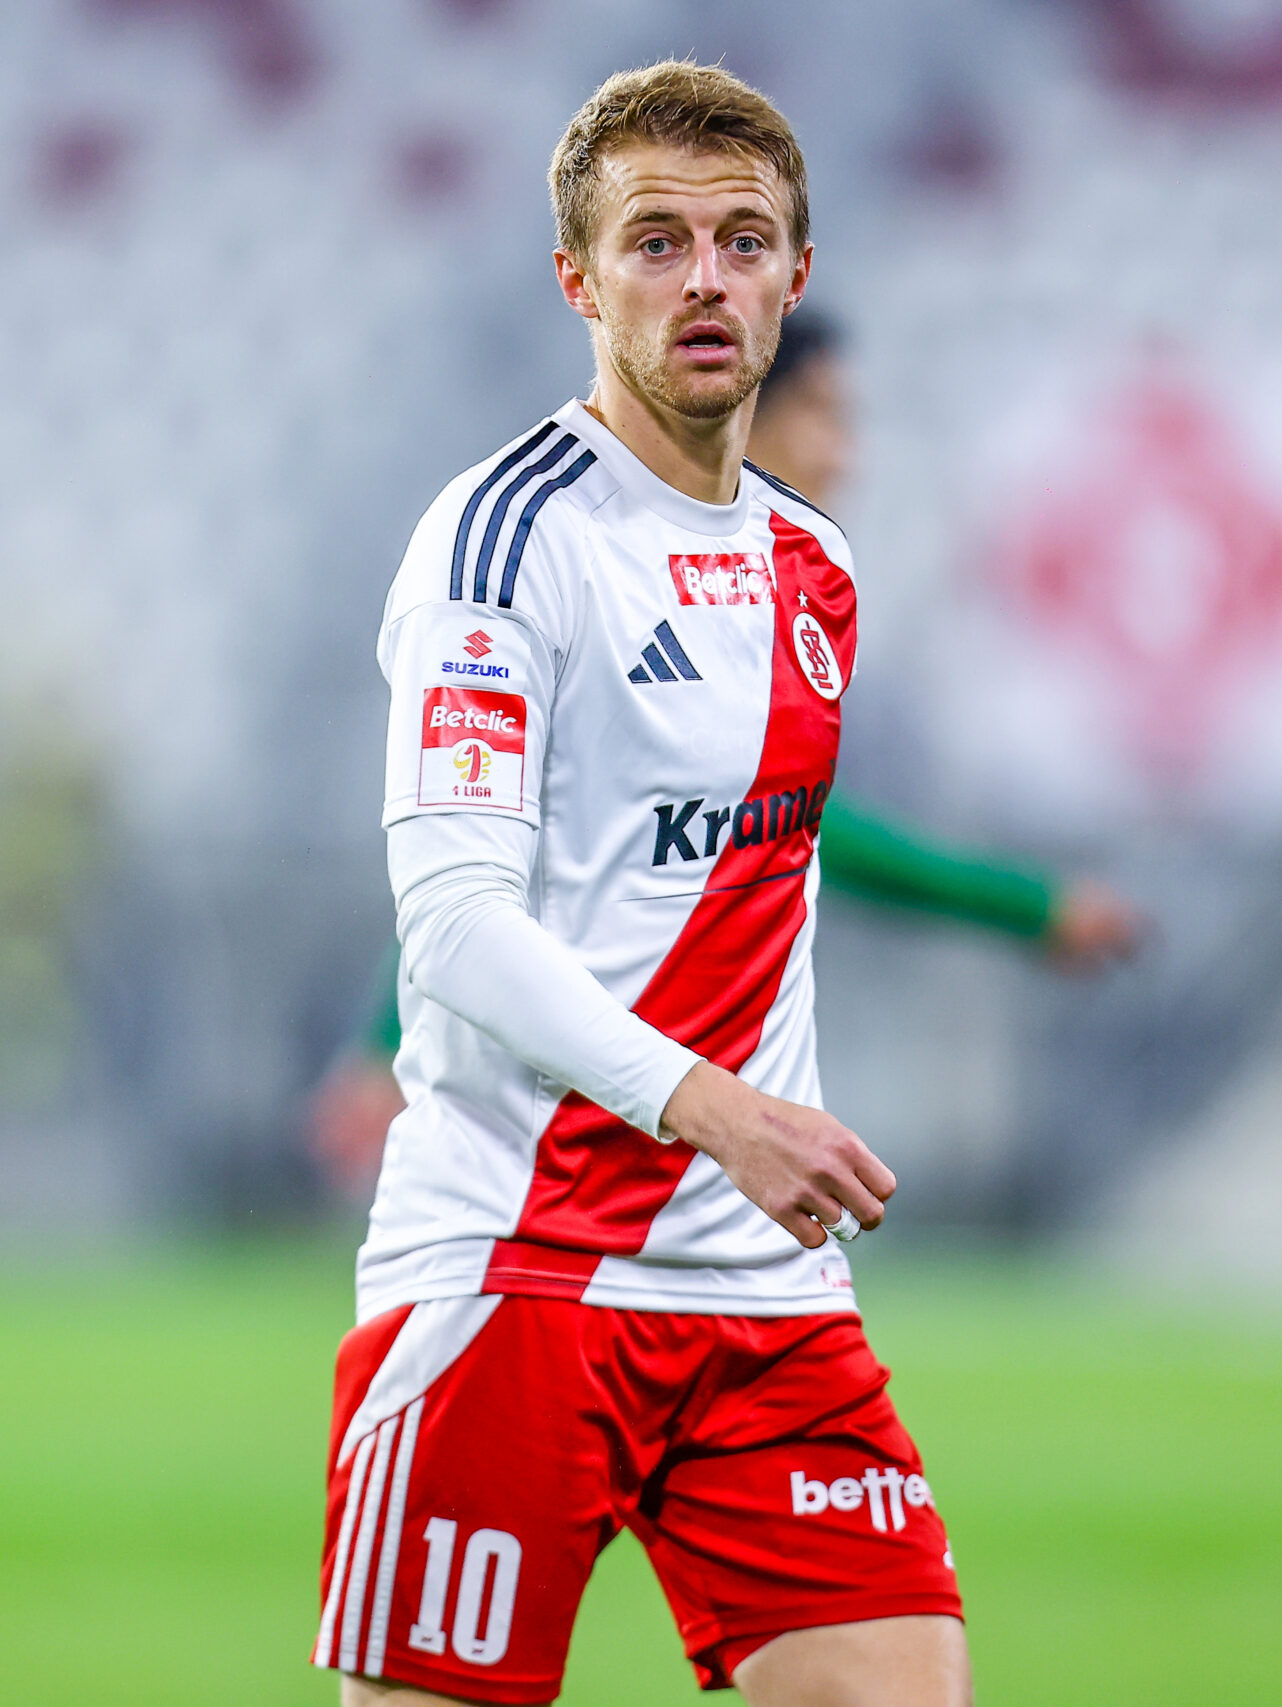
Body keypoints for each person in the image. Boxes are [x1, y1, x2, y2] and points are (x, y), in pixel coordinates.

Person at [319, 63, 993, 1707]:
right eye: (657, 241)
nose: (706, 278)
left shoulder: (816, 565)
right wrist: (720, 1111)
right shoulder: (503, 542)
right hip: (517, 1272)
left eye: (744, 241)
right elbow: (456, 921)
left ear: (795, 275)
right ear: (579, 277)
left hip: (768, 1300)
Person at [309, 317, 1143, 1198]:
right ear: (748, 409)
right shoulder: (602, 570)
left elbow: (776, 821)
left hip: (659, 1113)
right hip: (569, 1120)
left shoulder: (784, 576)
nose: (847, 454)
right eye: (824, 414)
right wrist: (386, 1039)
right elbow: (481, 854)